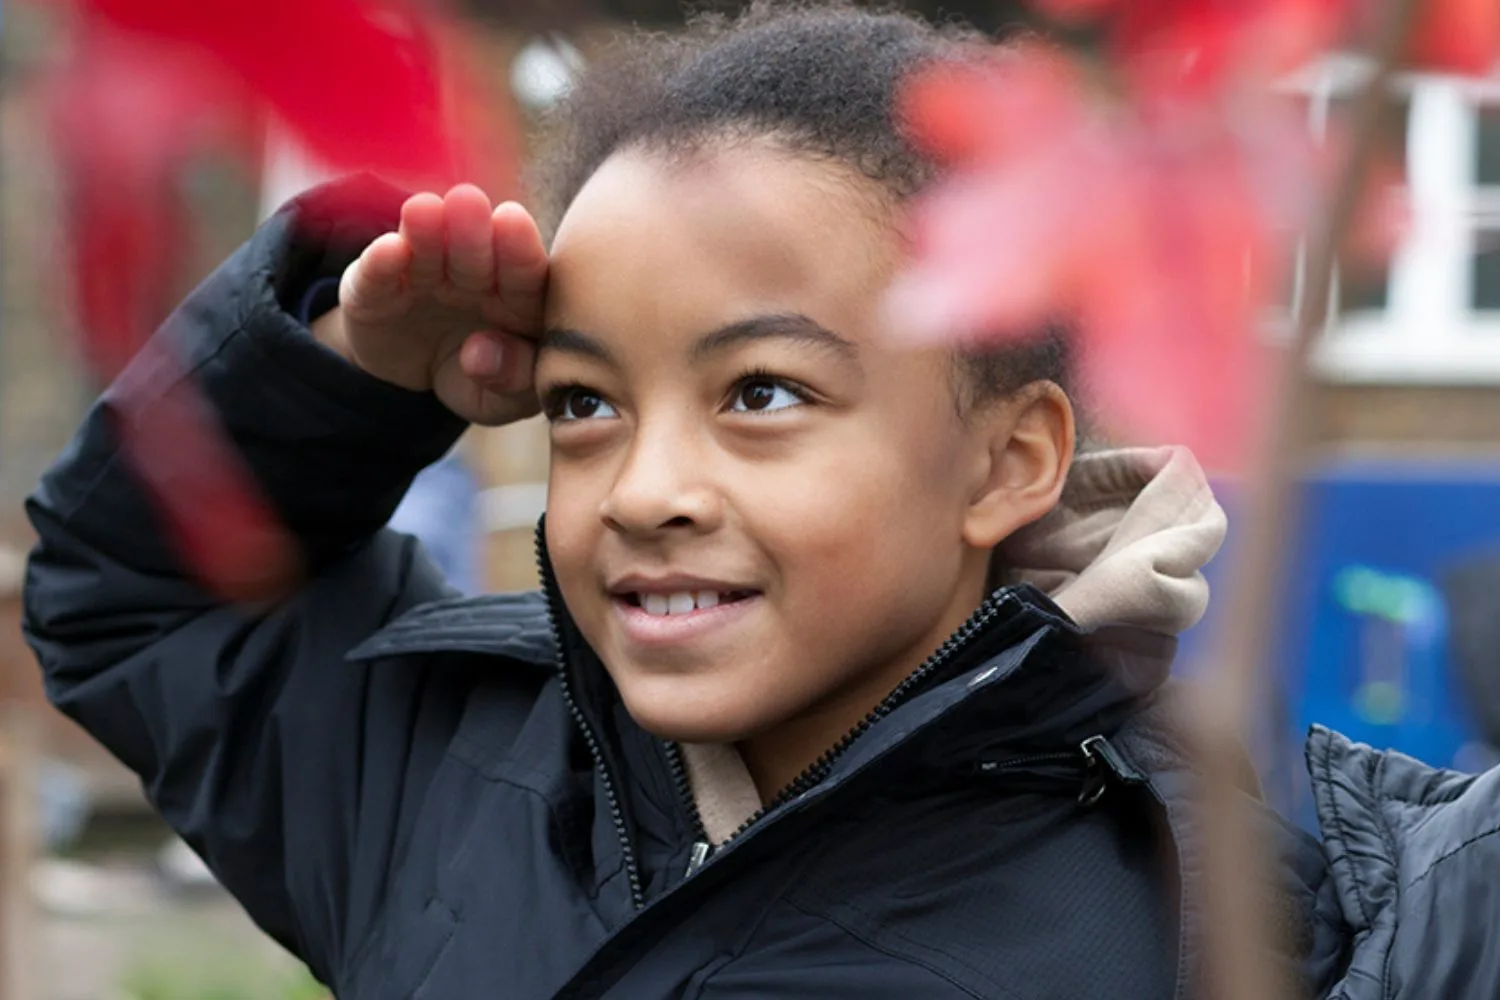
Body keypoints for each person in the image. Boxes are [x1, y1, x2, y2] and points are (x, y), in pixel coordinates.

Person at [22, 4, 1500, 998]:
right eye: (585, 404)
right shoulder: (437, 760)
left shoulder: (1268, 899)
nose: (648, 488)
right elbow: (132, 590)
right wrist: (344, 367)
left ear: (1011, 459)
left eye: (764, 394)